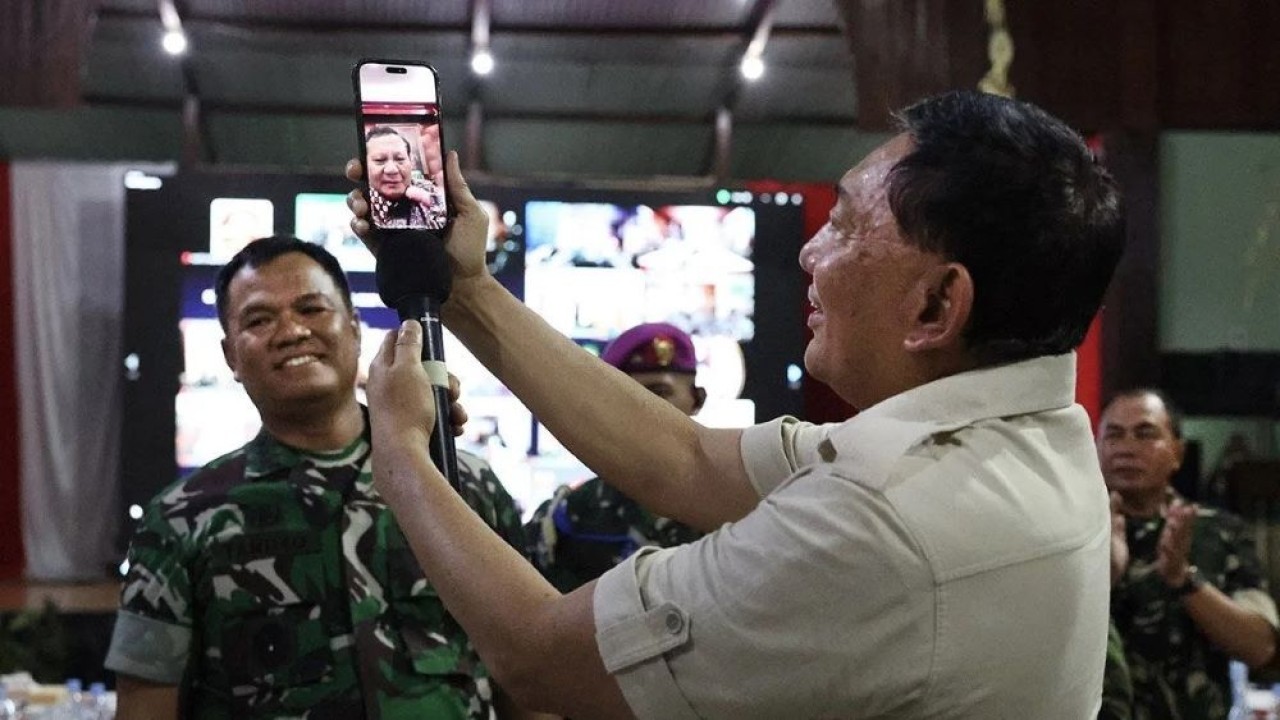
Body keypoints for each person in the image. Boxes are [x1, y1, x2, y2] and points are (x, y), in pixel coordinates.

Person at [349, 89, 1127, 718]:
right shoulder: (1034, 431)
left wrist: (400, 454)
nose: (808, 252)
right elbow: (685, 459)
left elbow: (544, 659)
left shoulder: (885, 524)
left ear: (936, 307)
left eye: (847, 225)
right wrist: (471, 291)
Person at [104, 236, 540, 719]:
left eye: (312, 309)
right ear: (230, 355)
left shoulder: (461, 486)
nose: (291, 331)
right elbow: (145, 705)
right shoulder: (182, 521)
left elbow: (531, 679)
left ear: (354, 329)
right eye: (259, 319)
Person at [1101, 388, 1278, 719]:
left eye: (1145, 433)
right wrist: (1101, 574)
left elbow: (1262, 648)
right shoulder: (1071, 534)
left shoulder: (1217, 531)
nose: (1126, 448)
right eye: (1114, 435)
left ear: (1177, 452)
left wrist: (1183, 579)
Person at [525, 322, 706, 592]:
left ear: (697, 400)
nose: (642, 407)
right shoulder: (566, 520)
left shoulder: (742, 511)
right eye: (626, 395)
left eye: (659, 393)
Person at [365, 125, 446, 230]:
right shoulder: (364, 202)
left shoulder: (426, 190)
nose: (392, 169)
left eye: (400, 159)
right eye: (380, 160)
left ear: (411, 162)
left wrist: (425, 198)